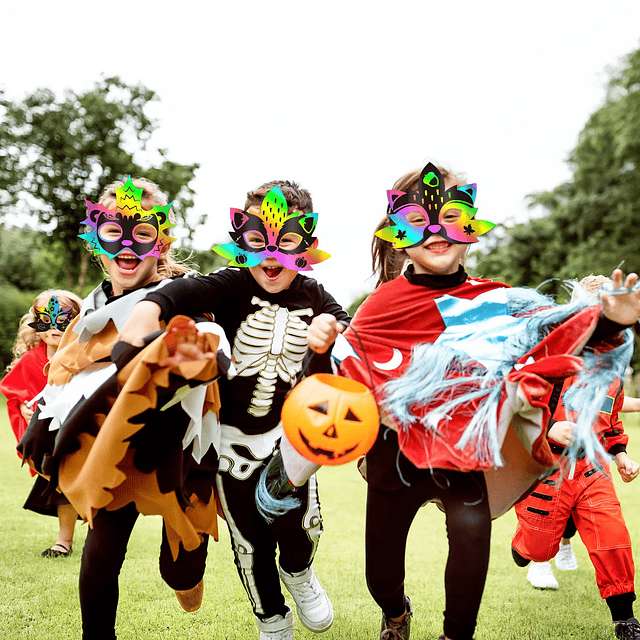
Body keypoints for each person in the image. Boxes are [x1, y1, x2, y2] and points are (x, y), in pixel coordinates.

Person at [306, 162, 640, 640]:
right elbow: (332, 385)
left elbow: (560, 344)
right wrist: (318, 351)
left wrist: (612, 322)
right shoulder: (379, 306)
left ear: (472, 230)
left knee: (470, 541)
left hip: (464, 455)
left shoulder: (500, 302)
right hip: (393, 459)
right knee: (380, 577)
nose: (437, 231)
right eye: (421, 219)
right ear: (398, 232)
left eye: (451, 216)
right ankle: (396, 613)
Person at [118, 180, 348, 640]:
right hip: (230, 442)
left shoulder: (314, 291)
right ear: (241, 241)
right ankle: (271, 619)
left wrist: (332, 329)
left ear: (307, 244)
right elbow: (181, 292)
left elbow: (342, 322)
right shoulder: (230, 285)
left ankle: (300, 573)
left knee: (300, 526)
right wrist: (148, 310)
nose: (272, 255)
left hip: (290, 438)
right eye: (259, 241)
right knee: (250, 541)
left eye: (285, 242)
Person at [18, 177, 228, 640]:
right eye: (115, 231)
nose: (128, 245)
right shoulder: (87, 314)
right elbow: (65, 375)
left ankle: (186, 575)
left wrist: (177, 358)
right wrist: (41, 419)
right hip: (112, 453)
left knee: (182, 570)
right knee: (101, 552)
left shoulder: (181, 297)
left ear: (160, 241)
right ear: (97, 239)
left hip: (174, 452)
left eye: (142, 233)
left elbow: (210, 354)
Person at [512, 275, 640, 640]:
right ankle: (524, 547)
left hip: (592, 469)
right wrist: (550, 427)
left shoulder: (612, 369)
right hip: (546, 468)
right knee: (538, 546)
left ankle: (625, 619)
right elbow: (517, 402)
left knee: (612, 537)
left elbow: (610, 422)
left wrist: (621, 456)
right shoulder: (552, 353)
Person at [1, 289, 82, 557]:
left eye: (63, 319)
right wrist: (24, 408)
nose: (55, 327)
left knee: (73, 478)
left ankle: (69, 539)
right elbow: (16, 391)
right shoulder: (31, 360)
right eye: (47, 318)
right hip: (49, 439)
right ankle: (65, 540)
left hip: (79, 433)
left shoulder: (84, 356)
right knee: (59, 478)